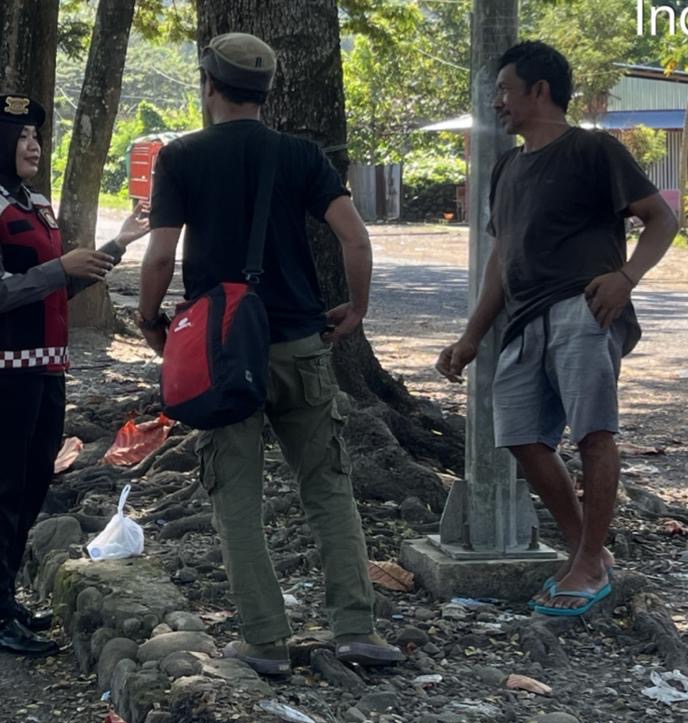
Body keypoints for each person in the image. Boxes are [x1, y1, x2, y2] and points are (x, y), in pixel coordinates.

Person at [138, 33, 403, 674]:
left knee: (235, 496)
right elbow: (355, 238)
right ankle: (356, 628)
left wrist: (150, 321)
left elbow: (160, 254)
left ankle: (263, 641)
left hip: (223, 353)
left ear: (209, 85)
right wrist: (357, 308)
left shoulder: (181, 158)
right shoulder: (301, 156)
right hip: (301, 345)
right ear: (266, 92)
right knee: (328, 488)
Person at [436, 41, 676, 617]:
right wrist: (471, 336)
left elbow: (664, 219)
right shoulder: (507, 167)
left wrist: (626, 278)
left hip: (582, 308)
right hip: (523, 319)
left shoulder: (592, 150)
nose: (497, 102)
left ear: (539, 91)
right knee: (520, 436)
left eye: (504, 90)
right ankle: (586, 552)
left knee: (593, 434)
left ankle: (589, 562)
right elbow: (501, 257)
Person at [0, 93, 149, 656]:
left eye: (36, 135)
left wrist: (117, 244)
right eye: (21, 136)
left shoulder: (33, 204)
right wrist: (59, 267)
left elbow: (56, 285)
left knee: (33, 483)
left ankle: (7, 599)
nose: (33, 145)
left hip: (43, 365)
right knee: (1, 491)